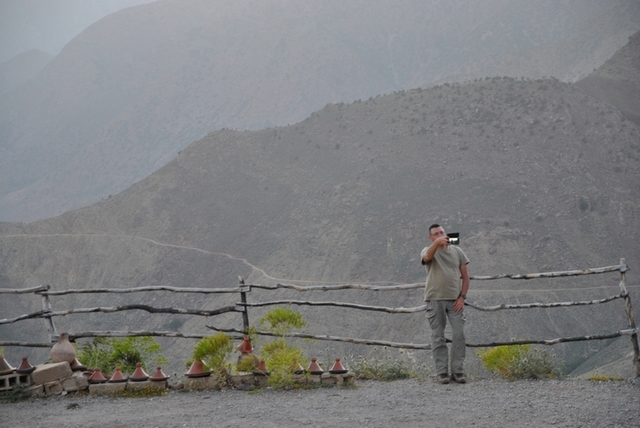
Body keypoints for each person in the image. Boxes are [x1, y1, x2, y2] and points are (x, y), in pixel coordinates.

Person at [421, 224, 470, 384]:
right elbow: (427, 258)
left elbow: (465, 276)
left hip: (455, 300)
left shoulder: (457, 251)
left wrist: (462, 297)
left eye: (442, 232)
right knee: (438, 336)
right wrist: (436, 244)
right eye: (436, 234)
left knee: (459, 334)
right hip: (434, 299)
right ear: (431, 238)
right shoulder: (428, 250)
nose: (440, 235)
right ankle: (442, 372)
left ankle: (458, 371)